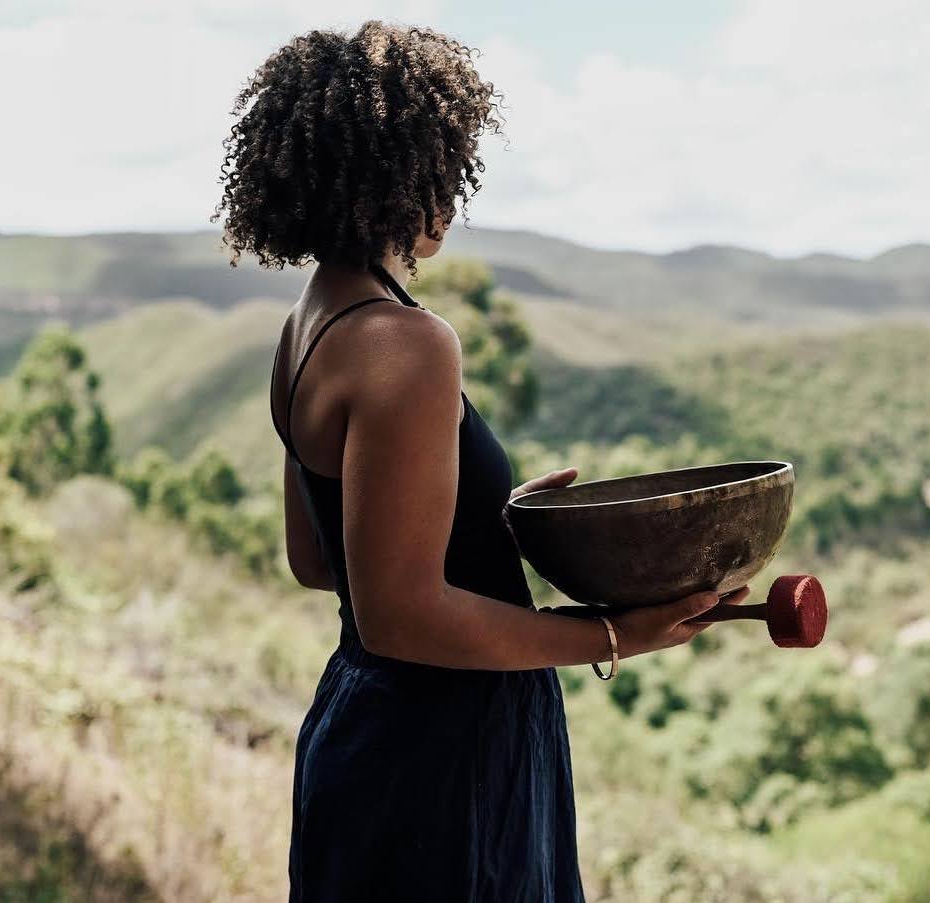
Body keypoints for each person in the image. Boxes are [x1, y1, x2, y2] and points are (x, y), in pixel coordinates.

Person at [213, 21, 750, 902]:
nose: (453, 197)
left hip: (361, 726)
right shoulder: (407, 343)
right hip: (444, 751)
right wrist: (615, 635)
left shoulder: (303, 333)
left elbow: (320, 563)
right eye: (448, 166)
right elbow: (403, 617)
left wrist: (487, 519)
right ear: (404, 176)